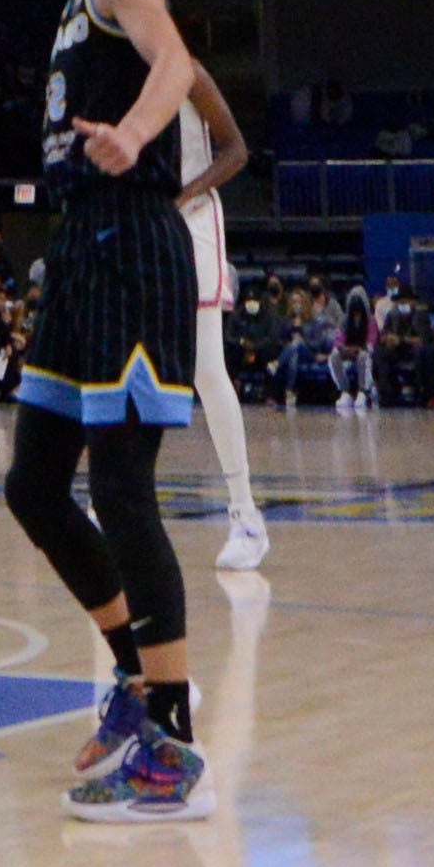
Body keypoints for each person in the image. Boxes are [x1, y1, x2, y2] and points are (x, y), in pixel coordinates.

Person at [0, 0, 227, 821]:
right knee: (35, 484)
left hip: (130, 245)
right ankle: (138, 681)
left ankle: (171, 738)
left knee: (123, 491)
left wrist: (135, 134)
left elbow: (176, 62)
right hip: (82, 248)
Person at [174, 77, 270, 572]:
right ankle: (111, 500)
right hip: (142, 220)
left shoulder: (184, 70)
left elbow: (236, 151)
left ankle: (246, 515)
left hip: (190, 218)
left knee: (206, 370)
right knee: (126, 358)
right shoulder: (112, 71)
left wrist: (187, 194)